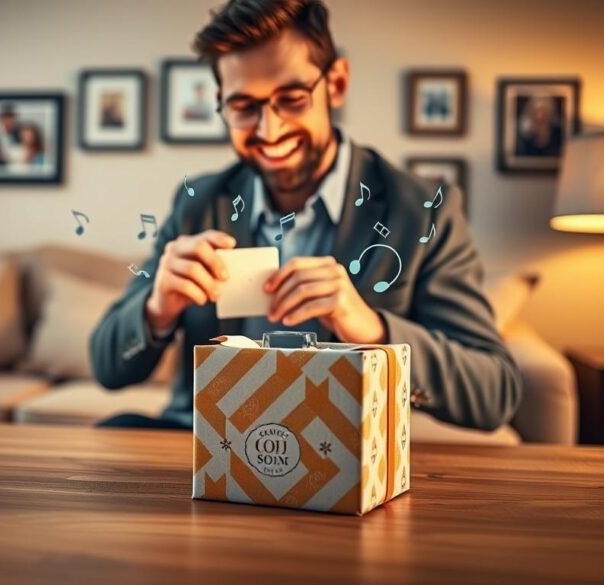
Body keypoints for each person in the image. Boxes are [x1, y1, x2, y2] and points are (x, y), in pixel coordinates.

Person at [90, 0, 521, 432]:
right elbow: (107, 366)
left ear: (336, 83)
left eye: (292, 100)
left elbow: (494, 392)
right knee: (116, 429)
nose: (270, 131)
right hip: (207, 441)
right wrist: (157, 309)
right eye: (244, 107)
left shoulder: (424, 212)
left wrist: (373, 333)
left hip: (340, 449)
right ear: (221, 103)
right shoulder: (200, 203)